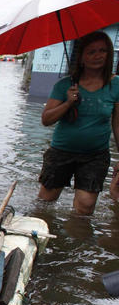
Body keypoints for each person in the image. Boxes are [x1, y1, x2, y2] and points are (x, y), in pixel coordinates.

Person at [38, 31, 119, 214]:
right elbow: (46, 119)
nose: (97, 56)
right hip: (61, 151)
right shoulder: (65, 85)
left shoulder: (116, 85)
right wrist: (68, 103)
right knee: (45, 202)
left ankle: (78, 238)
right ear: (81, 57)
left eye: (102, 51)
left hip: (95, 155)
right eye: (91, 52)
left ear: (109, 55)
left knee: (85, 206)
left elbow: (118, 125)